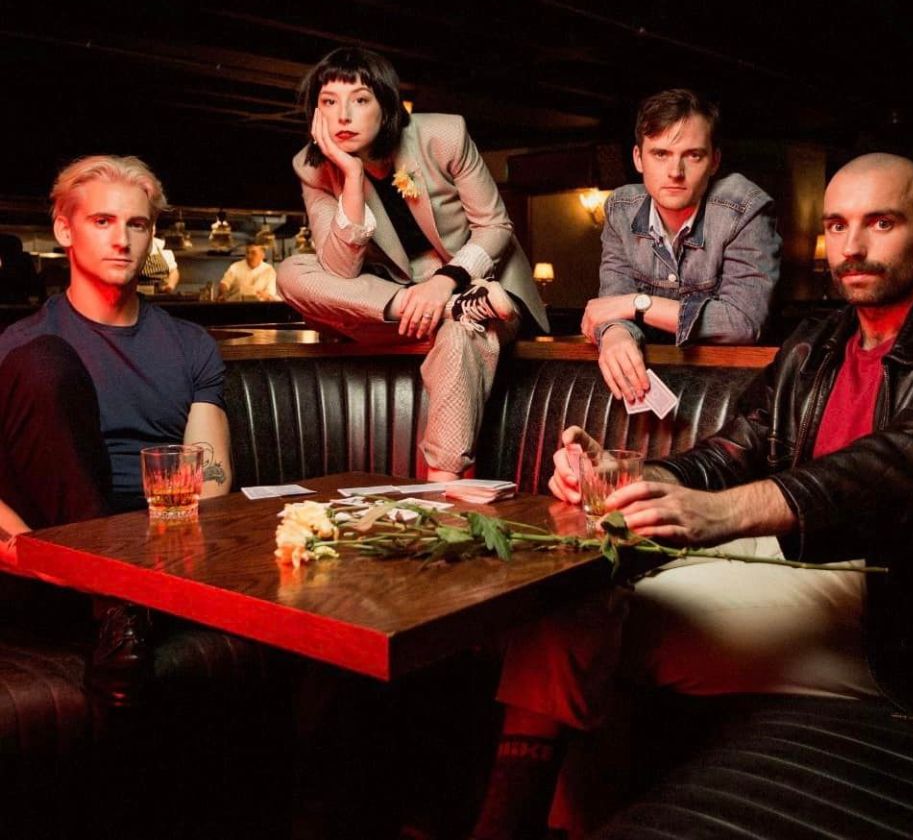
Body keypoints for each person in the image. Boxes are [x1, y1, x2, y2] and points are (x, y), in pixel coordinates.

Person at [471, 153, 913, 840]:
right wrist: (629, 476)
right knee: (571, 599)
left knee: (577, 621)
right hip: (794, 560)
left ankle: (514, 824)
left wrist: (724, 512)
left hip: (899, 610)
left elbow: (904, 461)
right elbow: (733, 450)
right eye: (837, 226)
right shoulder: (816, 344)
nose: (852, 246)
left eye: (881, 223)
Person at [0, 155, 233, 701]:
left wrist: (148, 558)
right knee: (43, 363)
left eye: (137, 224)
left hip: (158, 557)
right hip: (50, 568)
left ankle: (121, 603)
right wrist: (50, 559)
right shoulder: (18, 346)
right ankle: (117, 603)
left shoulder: (189, 345)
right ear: (65, 230)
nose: (122, 240)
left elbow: (213, 480)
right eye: (102, 221)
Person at [277, 47, 548, 482]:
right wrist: (351, 177)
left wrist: (446, 283)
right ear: (315, 113)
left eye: (360, 99)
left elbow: (495, 225)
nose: (343, 115)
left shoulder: (443, 135)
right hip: (405, 304)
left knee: (462, 332)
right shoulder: (312, 169)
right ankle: (457, 309)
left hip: (479, 279)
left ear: (385, 106)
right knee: (291, 272)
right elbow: (339, 271)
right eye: (329, 102)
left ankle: (442, 483)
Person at [582, 88, 781, 403]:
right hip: (649, 385)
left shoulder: (745, 208)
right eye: (660, 154)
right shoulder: (621, 208)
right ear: (638, 158)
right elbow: (612, 303)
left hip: (737, 390)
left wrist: (638, 303)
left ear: (714, 161)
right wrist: (615, 333)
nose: (675, 172)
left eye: (693, 155)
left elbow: (742, 322)